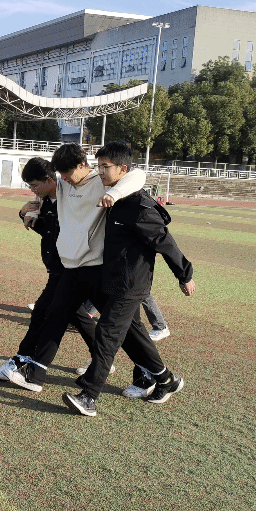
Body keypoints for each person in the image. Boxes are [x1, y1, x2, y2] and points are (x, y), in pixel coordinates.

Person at [4, 142, 154, 395]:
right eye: (60, 174)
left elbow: (138, 175)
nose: (64, 179)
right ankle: (35, 373)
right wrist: (33, 210)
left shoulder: (102, 182)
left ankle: (154, 372)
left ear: (83, 165)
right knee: (55, 315)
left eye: (67, 173)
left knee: (128, 327)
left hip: (98, 268)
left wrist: (114, 194)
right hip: (73, 266)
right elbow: (45, 187)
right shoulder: (64, 183)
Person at [62, 142, 195, 417]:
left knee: (107, 333)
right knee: (134, 336)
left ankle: (88, 395)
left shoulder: (139, 207)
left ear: (123, 169)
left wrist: (185, 275)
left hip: (131, 285)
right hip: (112, 280)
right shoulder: (114, 197)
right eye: (98, 165)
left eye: (105, 166)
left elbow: (165, 243)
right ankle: (166, 379)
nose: (100, 171)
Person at [0, 157, 109, 381]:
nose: (32, 190)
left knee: (43, 314)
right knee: (78, 317)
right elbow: (47, 231)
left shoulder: (69, 199)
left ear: (50, 180)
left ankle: (23, 361)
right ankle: (103, 360)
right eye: (29, 186)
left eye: (35, 185)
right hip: (58, 267)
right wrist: (25, 214)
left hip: (70, 267)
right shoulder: (44, 200)